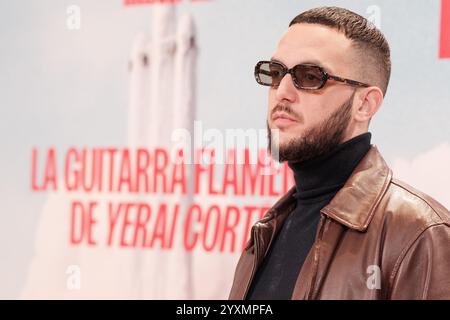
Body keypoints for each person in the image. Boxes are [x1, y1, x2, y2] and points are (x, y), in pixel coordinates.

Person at [228, 6, 450, 300]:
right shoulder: (268, 230)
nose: (282, 91)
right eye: (276, 72)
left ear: (365, 105)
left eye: (309, 76)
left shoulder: (421, 234)